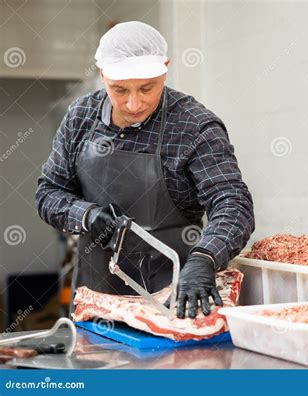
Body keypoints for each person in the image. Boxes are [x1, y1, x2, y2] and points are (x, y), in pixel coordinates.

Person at [35, 21, 255, 319]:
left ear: (165, 69)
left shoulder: (195, 126)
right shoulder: (80, 117)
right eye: (119, 90)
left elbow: (233, 202)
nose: (133, 103)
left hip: (177, 293)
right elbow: (48, 193)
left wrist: (205, 258)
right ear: (103, 75)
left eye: (147, 88)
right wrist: (85, 215)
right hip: (97, 298)